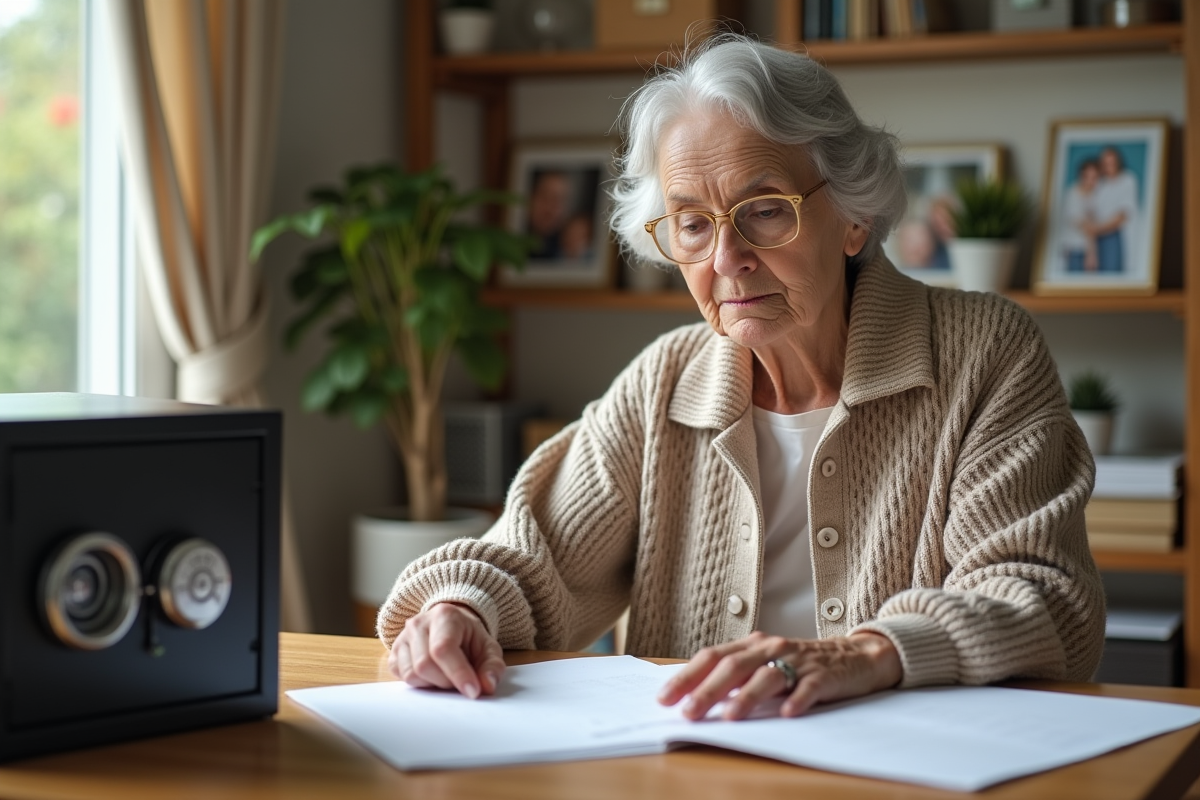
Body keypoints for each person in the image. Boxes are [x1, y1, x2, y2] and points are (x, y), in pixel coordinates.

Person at [378, 35, 1105, 721]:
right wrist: (458, 608)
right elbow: (527, 558)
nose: (726, 258)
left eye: (763, 212)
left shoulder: (983, 352)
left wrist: (870, 652)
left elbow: (1043, 599)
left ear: (853, 217)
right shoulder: (665, 381)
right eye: (692, 223)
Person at [1091, 146, 1139, 273]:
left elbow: (1123, 214)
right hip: (1095, 237)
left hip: (1114, 235)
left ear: (1118, 162)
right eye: (1105, 163)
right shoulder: (1099, 184)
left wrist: (1097, 229)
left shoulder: (1128, 180)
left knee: (1111, 273)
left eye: (1112, 163)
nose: (1109, 166)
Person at [1063, 159, 1100, 272]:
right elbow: (1085, 226)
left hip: (1089, 249)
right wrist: (1091, 254)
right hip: (1075, 250)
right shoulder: (1073, 194)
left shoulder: (1094, 196)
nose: (1093, 182)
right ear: (1082, 176)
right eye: (1089, 177)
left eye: (1096, 178)